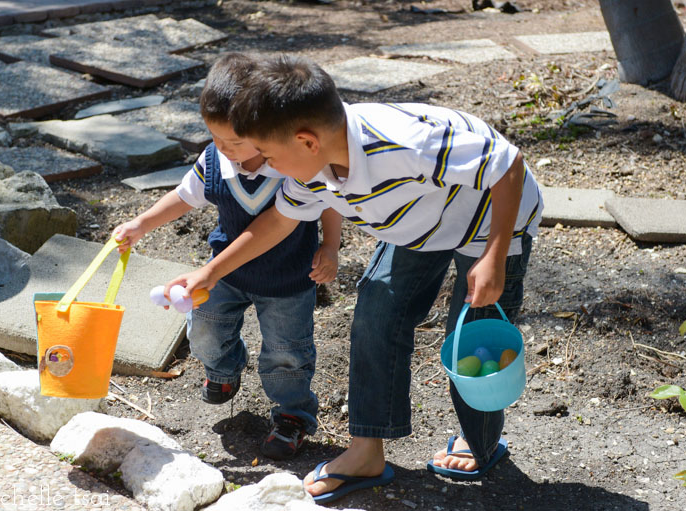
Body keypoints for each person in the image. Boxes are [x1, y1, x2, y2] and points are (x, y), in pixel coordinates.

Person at [166, 54, 543, 503]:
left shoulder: (402, 144)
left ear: (306, 141)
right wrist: (208, 273)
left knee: (473, 336)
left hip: (489, 219)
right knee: (375, 315)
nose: (264, 165)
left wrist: (496, 254)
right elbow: (277, 223)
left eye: (268, 154)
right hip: (419, 224)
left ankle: (480, 442)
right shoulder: (311, 169)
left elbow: (507, 164)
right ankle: (367, 451)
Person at [112, 53, 342, 461]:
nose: (223, 148)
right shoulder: (215, 160)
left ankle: (292, 415)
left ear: (263, 127)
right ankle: (222, 369)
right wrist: (141, 224)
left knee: (287, 352)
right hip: (223, 275)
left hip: (288, 278)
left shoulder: (292, 165)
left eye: (234, 141)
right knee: (205, 330)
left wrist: (330, 246)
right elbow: (183, 197)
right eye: (215, 138)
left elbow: (328, 202)